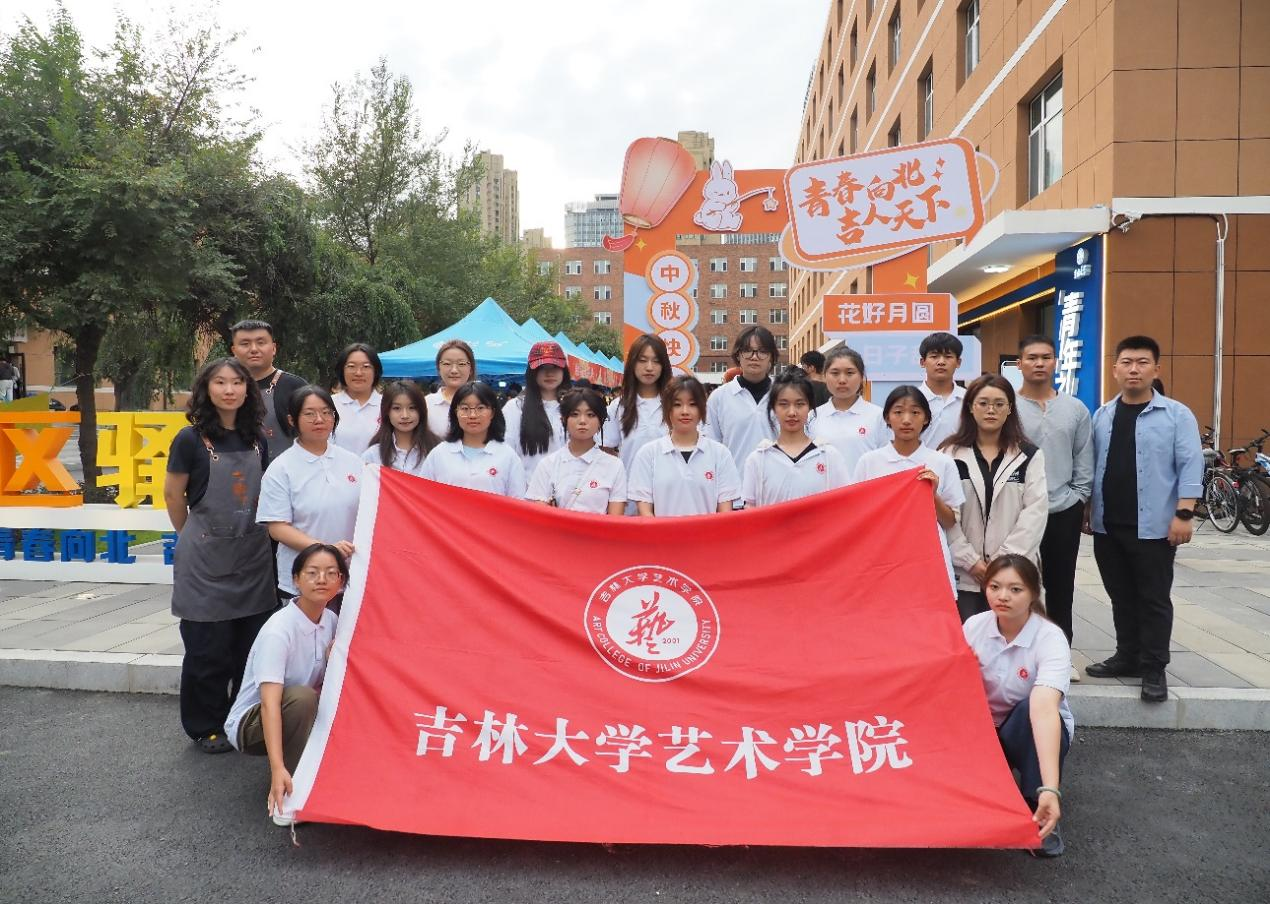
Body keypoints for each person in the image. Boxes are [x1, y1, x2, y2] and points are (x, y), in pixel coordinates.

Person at [163, 357, 276, 755]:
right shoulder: (190, 439)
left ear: (248, 390)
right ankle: (205, 726)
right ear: (206, 390)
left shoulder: (256, 438)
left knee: (249, 647)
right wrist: (192, 535)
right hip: (205, 559)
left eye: (237, 382)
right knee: (207, 650)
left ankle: (239, 719)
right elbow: (173, 495)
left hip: (252, 555)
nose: (229, 390)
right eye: (220, 382)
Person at [1085, 336, 1203, 703]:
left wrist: (1184, 513)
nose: (1133, 369)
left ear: (1156, 368)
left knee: (1153, 599)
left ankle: (1153, 667)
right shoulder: (1103, 415)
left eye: (1142, 362)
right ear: (1115, 369)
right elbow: (1094, 467)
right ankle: (1127, 656)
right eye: (1126, 362)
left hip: (1154, 528)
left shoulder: (1176, 415)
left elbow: (1190, 465)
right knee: (1120, 596)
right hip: (1108, 525)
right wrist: (1088, 509)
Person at [962, 554, 1073, 858]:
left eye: (1015, 589)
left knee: (1028, 710)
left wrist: (1050, 788)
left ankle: (1038, 807)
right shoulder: (974, 626)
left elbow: (1044, 710)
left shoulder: (1050, 639)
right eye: (995, 587)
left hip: (1028, 728)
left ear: (1034, 593)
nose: (1003, 596)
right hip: (983, 729)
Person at [225, 543, 344, 824]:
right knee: (302, 698)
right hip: (250, 724)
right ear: (296, 579)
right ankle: (291, 793)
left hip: (295, 709)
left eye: (331, 573)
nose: (322, 579)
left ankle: (321, 775)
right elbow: (269, 704)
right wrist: (277, 769)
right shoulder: (279, 630)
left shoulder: (332, 620)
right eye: (312, 573)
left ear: (341, 582)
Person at [1015, 334, 1093, 679]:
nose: (1039, 363)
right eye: (1031, 357)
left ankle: (1061, 657)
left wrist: (1078, 498)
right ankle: (1018, 654)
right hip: (1017, 513)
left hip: (1063, 509)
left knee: (1061, 587)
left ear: (1055, 363)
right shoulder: (1007, 406)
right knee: (1017, 584)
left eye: (1046, 357)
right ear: (1020, 363)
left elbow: (1084, 459)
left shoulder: (1075, 409)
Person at [941, 375, 1048, 622]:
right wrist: (970, 561)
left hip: (1015, 573)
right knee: (967, 639)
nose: (991, 410)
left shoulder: (1028, 455)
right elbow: (943, 515)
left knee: (1013, 641)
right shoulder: (948, 455)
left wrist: (1002, 563)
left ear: (1010, 408)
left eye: (999, 404)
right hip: (964, 574)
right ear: (970, 407)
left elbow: (1035, 512)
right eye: (983, 403)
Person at [854, 385, 963, 598]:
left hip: (927, 555)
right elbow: (857, 515)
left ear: (926, 418)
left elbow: (950, 521)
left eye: (915, 412)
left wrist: (932, 495)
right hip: (880, 555)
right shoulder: (869, 462)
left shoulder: (942, 462)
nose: (906, 420)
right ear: (887, 418)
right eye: (898, 412)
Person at [257, 386, 362, 604]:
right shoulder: (281, 468)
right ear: (292, 420)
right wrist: (326, 550)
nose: (319, 419)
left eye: (326, 412)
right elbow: (277, 528)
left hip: (351, 578)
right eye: (309, 413)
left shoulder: (353, 462)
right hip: (305, 581)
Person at [630, 375, 740, 517]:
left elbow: (725, 512)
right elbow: (645, 511)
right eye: (677, 405)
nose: (685, 411)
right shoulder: (648, 454)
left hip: (707, 532)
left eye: (693, 404)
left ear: (702, 408)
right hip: (661, 531)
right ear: (667, 409)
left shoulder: (720, 454)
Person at [742, 369, 850, 508]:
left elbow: (845, 505)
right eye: (784, 404)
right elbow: (750, 508)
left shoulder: (829, 456)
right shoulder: (758, 459)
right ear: (773, 408)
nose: (792, 412)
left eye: (800, 404)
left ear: (810, 407)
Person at [526, 387, 627, 514]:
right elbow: (539, 515)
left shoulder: (614, 466)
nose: (582, 421)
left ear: (600, 421)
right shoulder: (547, 465)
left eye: (590, 415)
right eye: (575, 414)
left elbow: (615, 519)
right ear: (563, 419)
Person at [419, 380, 527, 497]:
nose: (472, 415)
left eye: (480, 408)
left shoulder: (507, 456)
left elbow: (517, 500)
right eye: (465, 408)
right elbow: (423, 496)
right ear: (455, 412)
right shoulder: (439, 454)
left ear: (492, 412)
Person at [602, 334, 671, 512]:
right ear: (632, 363)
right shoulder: (618, 407)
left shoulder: (674, 405)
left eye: (656, 361)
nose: (649, 367)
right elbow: (606, 450)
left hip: (669, 497)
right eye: (642, 360)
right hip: (628, 498)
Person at [229, 319, 308, 465]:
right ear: (234, 351)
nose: (253, 349)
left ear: (273, 348)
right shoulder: (223, 389)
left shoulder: (295, 387)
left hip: (287, 474)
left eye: (261, 342)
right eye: (245, 344)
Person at [705, 325, 779, 472]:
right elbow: (711, 446)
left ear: (771, 356)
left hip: (778, 482)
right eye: (747, 350)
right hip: (734, 482)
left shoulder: (784, 395)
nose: (754, 357)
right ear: (738, 355)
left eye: (762, 351)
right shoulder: (719, 397)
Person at [807, 345, 886, 473]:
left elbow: (888, 461)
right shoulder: (812, 417)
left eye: (850, 373)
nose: (842, 380)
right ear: (825, 376)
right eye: (835, 373)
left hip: (866, 486)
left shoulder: (879, 416)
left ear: (861, 376)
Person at [503, 341, 571, 483]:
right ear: (532, 372)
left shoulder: (574, 406)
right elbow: (505, 454)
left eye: (555, 366)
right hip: (527, 490)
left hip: (569, 490)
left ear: (564, 370)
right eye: (542, 367)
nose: (549, 373)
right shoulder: (515, 408)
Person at [363, 380, 438, 478]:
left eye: (412, 408)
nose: (405, 415)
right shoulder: (373, 455)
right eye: (397, 408)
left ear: (421, 411)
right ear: (387, 412)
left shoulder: (437, 451)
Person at [917, 332, 967, 450]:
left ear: (958, 362)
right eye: (934, 356)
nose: (941, 362)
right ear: (922, 362)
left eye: (948, 356)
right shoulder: (912, 400)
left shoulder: (969, 399)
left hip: (961, 461)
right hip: (920, 462)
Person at [330, 343, 383, 455]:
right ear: (342, 371)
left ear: (376, 371)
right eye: (351, 366)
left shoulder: (388, 405)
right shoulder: (328, 405)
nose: (358, 373)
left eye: (366, 367)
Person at [425, 340, 476, 439]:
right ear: (438, 368)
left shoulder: (484, 402)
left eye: (461, 364)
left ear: (471, 368)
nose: (454, 370)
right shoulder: (427, 404)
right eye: (447, 364)